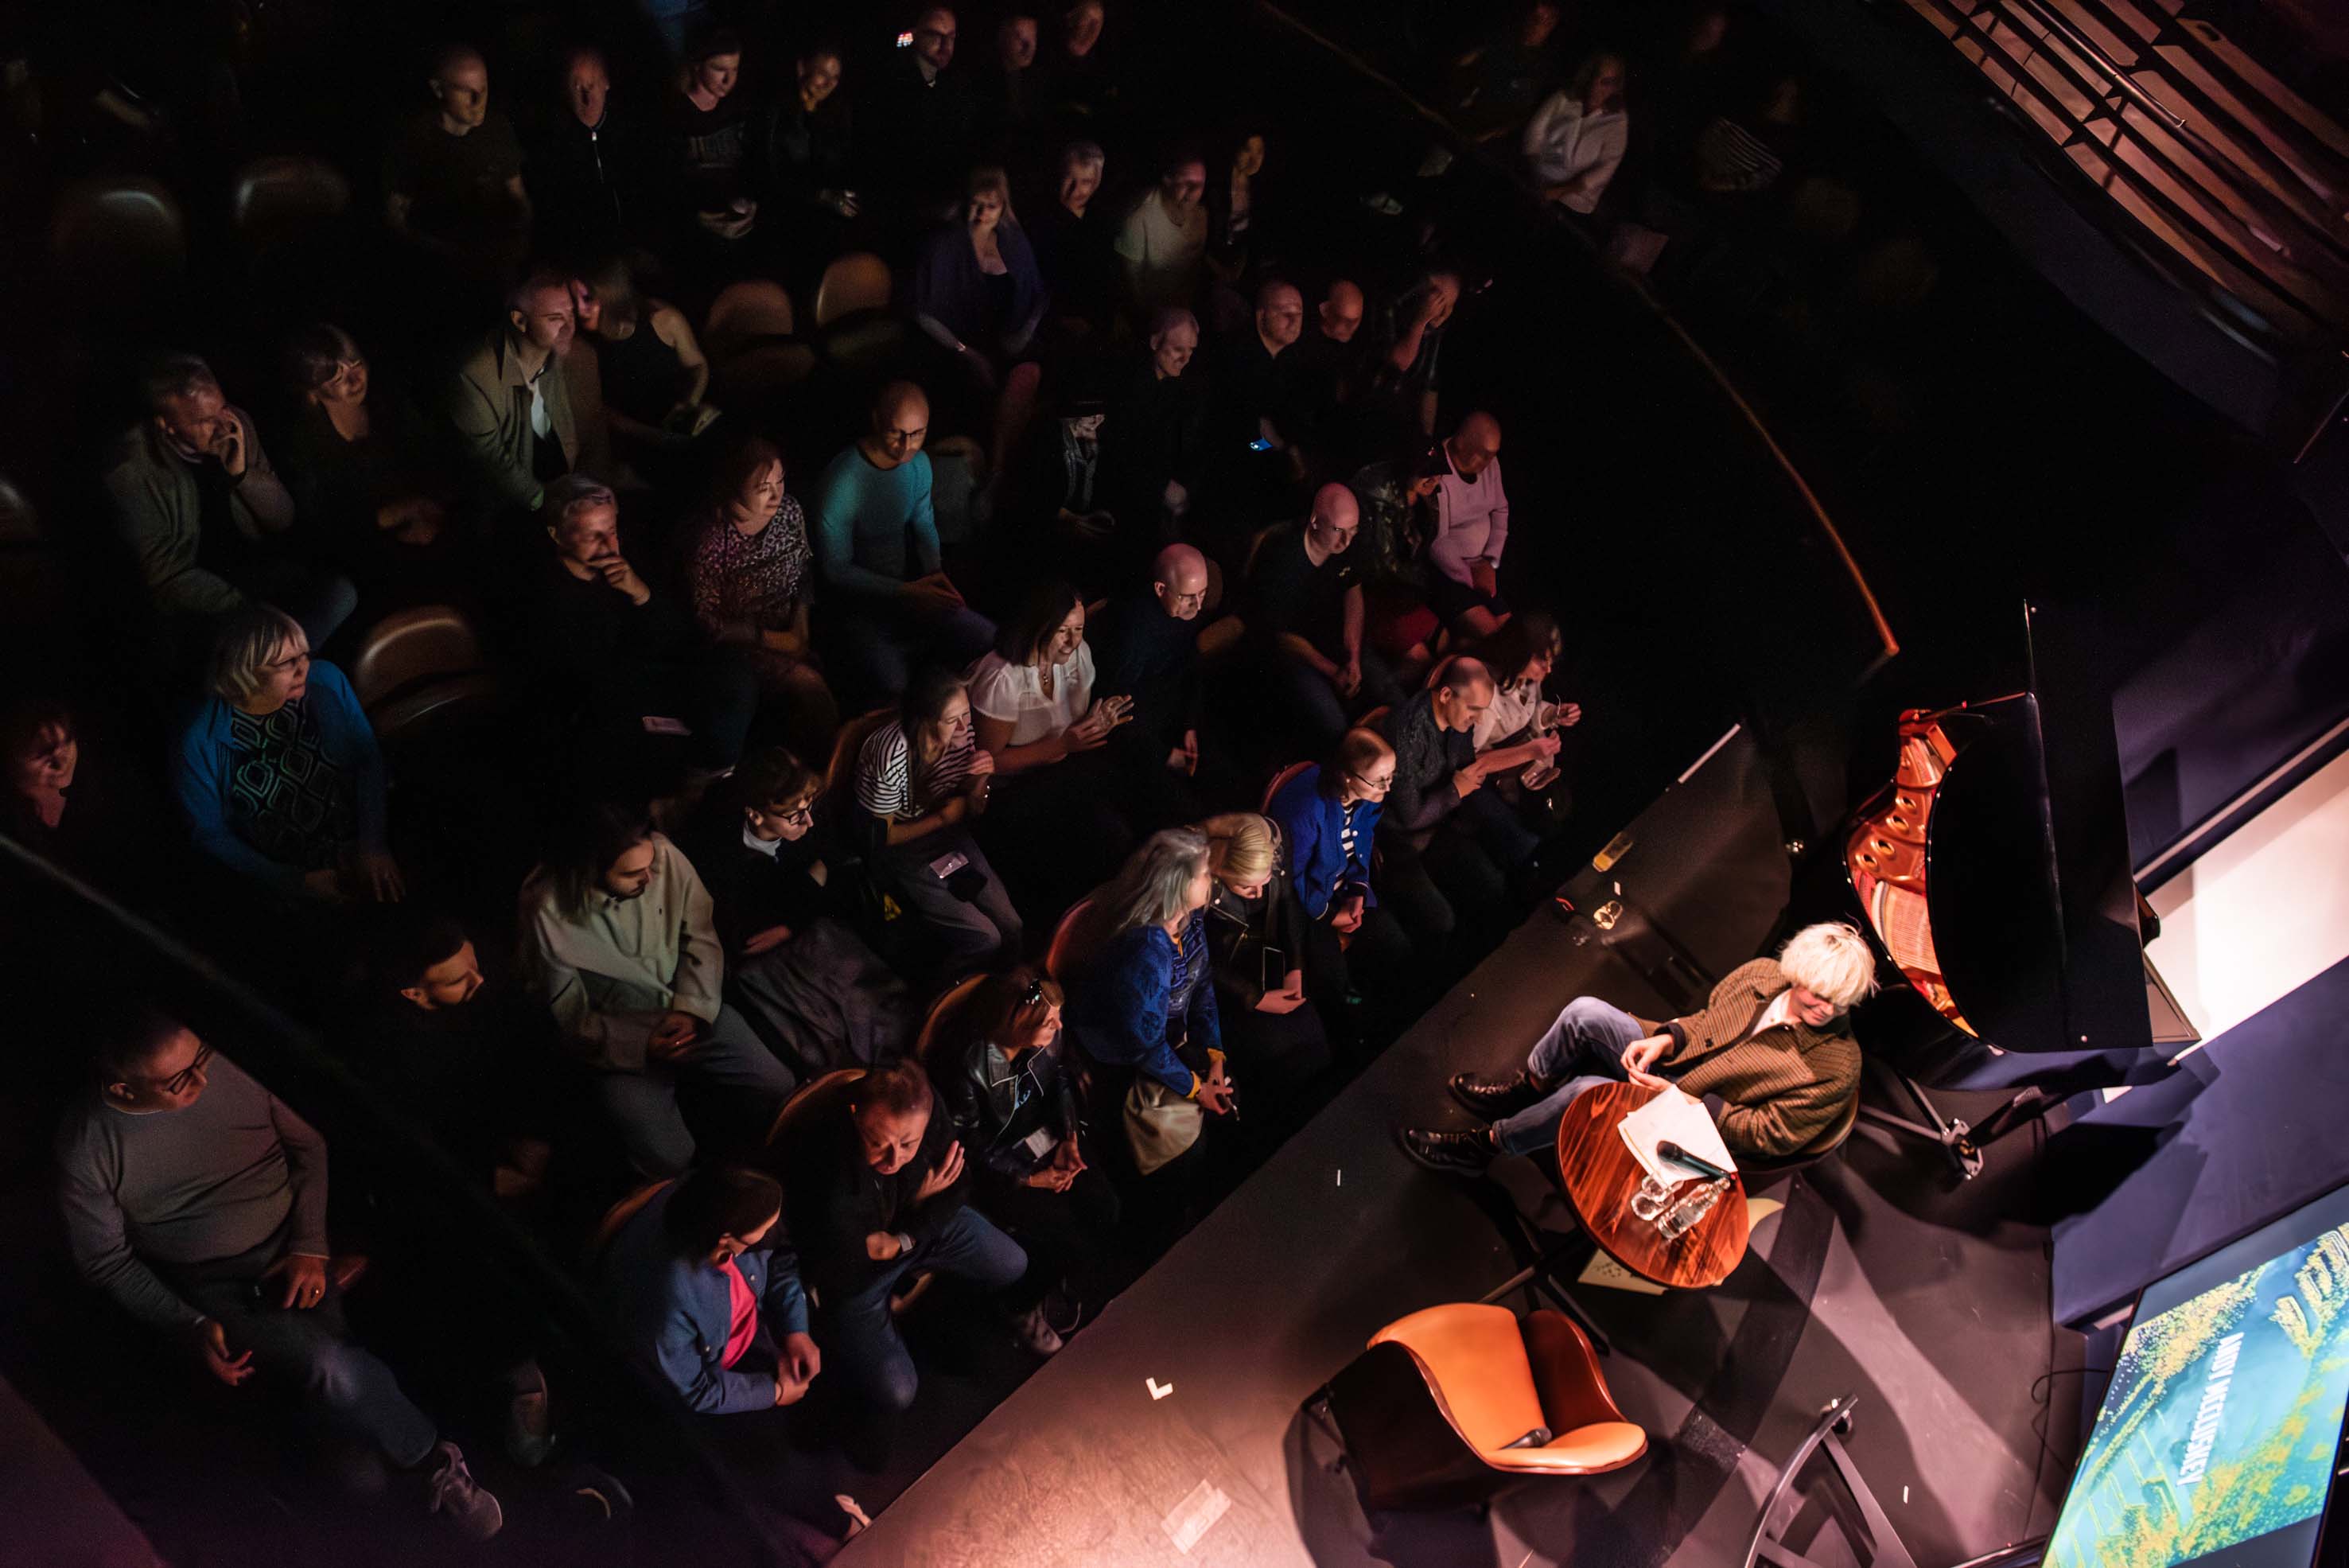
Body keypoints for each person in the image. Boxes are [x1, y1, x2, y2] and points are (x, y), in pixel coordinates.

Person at [56, 1010, 504, 1539]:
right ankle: (432, 1457)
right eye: (178, 1079)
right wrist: (189, 1321)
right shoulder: (89, 1145)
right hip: (213, 1282)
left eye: (201, 1058)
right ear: (123, 1087)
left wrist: (311, 1245)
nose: (202, 1080)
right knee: (329, 1363)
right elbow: (105, 1261)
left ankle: (373, 1460)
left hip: (292, 1245)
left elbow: (310, 1146)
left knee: (359, 1470)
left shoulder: (234, 1065)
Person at [1399, 922, 1878, 1170]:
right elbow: (1708, 1018)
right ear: (1797, 976)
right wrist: (1667, 1038)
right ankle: (1529, 1089)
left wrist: (1676, 1098)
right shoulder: (1763, 974)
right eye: (1819, 993)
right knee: (1584, 1011)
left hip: (1694, 1115)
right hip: (1676, 1066)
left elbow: (1765, 1136)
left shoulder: (1837, 1067)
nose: (1828, 1008)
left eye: (1841, 1001)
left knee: (1586, 1089)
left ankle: (1487, 1146)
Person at [519, 800, 797, 1177]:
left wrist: (691, 1008)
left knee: (774, 1082)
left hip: (689, 1006)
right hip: (616, 1041)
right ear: (588, 871)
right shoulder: (547, 912)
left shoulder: (661, 856)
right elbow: (567, 1015)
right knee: (669, 1157)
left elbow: (700, 935)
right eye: (633, 874)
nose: (650, 879)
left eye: (650, 866)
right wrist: (639, 1042)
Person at [776, 1060, 1037, 1456]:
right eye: (877, 1141)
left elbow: (958, 1183)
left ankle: (936, 1320)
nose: (893, 1159)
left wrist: (904, 1234)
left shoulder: (924, 1109)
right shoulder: (826, 1166)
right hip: (857, 1281)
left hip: (910, 1233)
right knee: (898, 1391)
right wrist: (917, 1205)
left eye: (908, 1145)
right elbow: (846, 1265)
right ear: (854, 1114)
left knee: (1012, 1263)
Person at [680, 748, 912, 1077]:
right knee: (817, 1033)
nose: (808, 821)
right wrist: (810, 882)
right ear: (756, 815)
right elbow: (743, 930)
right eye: (795, 816)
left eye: (809, 809)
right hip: (759, 958)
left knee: (875, 1002)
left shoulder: (806, 820)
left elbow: (833, 867)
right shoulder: (717, 848)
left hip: (807, 928)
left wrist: (793, 918)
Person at [103, 354, 355, 653]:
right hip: (201, 601)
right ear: (167, 425)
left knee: (341, 593)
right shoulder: (134, 472)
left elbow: (283, 519)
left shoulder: (236, 425)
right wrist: (247, 608)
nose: (221, 424)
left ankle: (276, 660)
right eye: (204, 421)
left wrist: (244, 476)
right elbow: (167, 577)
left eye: (220, 408)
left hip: (256, 575)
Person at [521, 477, 757, 777]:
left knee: (733, 673)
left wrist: (640, 594)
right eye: (592, 536)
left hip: (653, 677)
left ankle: (716, 773)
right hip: (605, 705)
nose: (609, 545)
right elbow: (574, 680)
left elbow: (676, 636)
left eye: (611, 531)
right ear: (557, 535)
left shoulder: (627, 560)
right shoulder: (547, 595)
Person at [931, 967, 1117, 1343]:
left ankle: (1051, 1274)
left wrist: (1068, 1137)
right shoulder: (967, 1068)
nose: (1060, 1026)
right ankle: (1018, 1308)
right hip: (1000, 1167)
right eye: (1049, 1021)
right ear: (1015, 1024)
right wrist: (1028, 1177)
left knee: (1106, 1208)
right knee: (1068, 1245)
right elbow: (966, 1143)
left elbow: (1061, 1077)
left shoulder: (1047, 1039)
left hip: (1045, 1139)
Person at [174, 606, 402, 904]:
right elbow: (209, 835)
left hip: (358, 845)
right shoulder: (198, 741)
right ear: (245, 673)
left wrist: (373, 844)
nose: (304, 668)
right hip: (276, 879)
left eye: (305, 655)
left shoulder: (326, 681)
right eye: (288, 663)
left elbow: (367, 761)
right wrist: (293, 882)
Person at [808, 382, 995, 701]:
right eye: (898, 433)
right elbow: (836, 570)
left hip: (910, 591)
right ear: (877, 420)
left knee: (989, 642)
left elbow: (923, 521)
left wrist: (936, 574)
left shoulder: (919, 465)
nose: (906, 446)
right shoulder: (842, 482)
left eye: (918, 434)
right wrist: (908, 591)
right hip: (859, 607)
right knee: (895, 689)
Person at [1066, 828, 1232, 1184]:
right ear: (1178, 884)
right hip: (1119, 1058)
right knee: (1189, 1146)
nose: (1211, 879)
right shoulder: (1145, 952)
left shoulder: (1189, 918)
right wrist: (1197, 1088)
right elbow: (1144, 1045)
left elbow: (1202, 983)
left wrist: (1215, 1056)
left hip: (1165, 1038)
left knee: (1231, 1090)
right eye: (1204, 873)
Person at [964, 580, 1135, 919]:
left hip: (1060, 770)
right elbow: (986, 763)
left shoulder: (1077, 655)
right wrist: (1062, 744)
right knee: (1094, 838)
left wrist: (1098, 722)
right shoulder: (1003, 678)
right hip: (1009, 791)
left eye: (1080, 629)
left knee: (1116, 817)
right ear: (1038, 627)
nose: (1074, 641)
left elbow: (1071, 725)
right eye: (1063, 631)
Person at [601, 1164, 822, 1414]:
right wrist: (774, 1392)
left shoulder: (730, 1208)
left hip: (759, 1324)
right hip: (717, 1376)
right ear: (725, 1240)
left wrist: (796, 1330)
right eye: (765, 1229)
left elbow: (780, 1261)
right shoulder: (671, 1296)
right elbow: (695, 1388)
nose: (772, 1229)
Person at [853, 666, 1022, 976]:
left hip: (947, 834)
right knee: (985, 938)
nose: (964, 727)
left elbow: (972, 810)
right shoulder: (891, 755)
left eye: (966, 715)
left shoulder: (961, 735)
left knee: (1012, 926)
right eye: (951, 720)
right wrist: (944, 818)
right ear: (925, 721)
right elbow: (877, 837)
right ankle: (942, 996)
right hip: (903, 846)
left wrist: (979, 784)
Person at [277, 324, 461, 607]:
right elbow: (324, 530)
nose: (355, 378)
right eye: (337, 377)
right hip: (370, 559)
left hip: (430, 528)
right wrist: (395, 515)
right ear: (311, 393)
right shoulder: (305, 447)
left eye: (356, 363)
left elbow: (433, 458)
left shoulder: (389, 404)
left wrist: (433, 509)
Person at [679, 438, 837, 757]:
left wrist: (799, 629)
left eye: (780, 482)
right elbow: (706, 622)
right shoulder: (711, 542)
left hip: (791, 628)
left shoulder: (789, 511)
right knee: (810, 689)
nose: (776, 495)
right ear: (735, 487)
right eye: (764, 487)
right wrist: (774, 640)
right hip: (744, 646)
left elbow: (803, 572)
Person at [1376, 657, 1546, 941]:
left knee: (1497, 879)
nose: (1479, 719)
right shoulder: (1405, 736)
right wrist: (1455, 791)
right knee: (1446, 919)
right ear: (1445, 695)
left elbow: (1466, 763)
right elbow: (1410, 817)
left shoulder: (1457, 723)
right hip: (1400, 839)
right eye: (1474, 709)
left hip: (1441, 818)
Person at [1243, 483, 1405, 752]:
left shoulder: (1349, 547)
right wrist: (1331, 671)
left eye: (1352, 532)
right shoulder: (1283, 558)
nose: (1346, 542)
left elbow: (1353, 593)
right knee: (1334, 726)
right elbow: (1279, 635)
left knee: (1390, 691)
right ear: (1315, 521)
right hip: (1294, 651)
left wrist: (1353, 655)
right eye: (1339, 532)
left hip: (1333, 638)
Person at [1266, 727, 1413, 1014]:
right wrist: (1331, 915)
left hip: (1342, 887)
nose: (1388, 787)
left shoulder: (1366, 798)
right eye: (1380, 781)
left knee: (1396, 944)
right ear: (1347, 777)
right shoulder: (1307, 811)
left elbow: (1363, 840)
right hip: (1308, 904)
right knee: (1335, 983)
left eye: (1391, 776)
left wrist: (1358, 888)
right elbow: (1292, 880)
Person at [1200, 813, 1329, 1111]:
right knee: (1278, 1058)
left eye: (1265, 882)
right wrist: (1252, 997)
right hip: (1220, 987)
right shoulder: (1195, 883)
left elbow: (1287, 901)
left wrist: (1295, 967)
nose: (1259, 893)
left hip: (1259, 961)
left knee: (1313, 1038)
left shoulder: (1275, 843)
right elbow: (1196, 962)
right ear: (1219, 870)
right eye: (1246, 887)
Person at [1091, 542, 1215, 827]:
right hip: (1135, 736)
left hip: (1171, 720)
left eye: (1202, 594)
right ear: (1161, 589)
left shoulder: (1184, 612)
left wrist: (1189, 725)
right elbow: (1114, 709)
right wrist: (1165, 756)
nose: (1197, 606)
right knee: (1184, 811)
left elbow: (1191, 669)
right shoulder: (1130, 631)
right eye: (1188, 597)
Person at [383, 45, 530, 271]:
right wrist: (447, 254)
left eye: (483, 89)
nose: (478, 101)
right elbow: (395, 218)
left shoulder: (497, 130)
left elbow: (518, 196)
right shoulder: (416, 140)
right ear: (439, 89)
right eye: (466, 91)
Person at [445, 270, 580, 518]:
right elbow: (488, 455)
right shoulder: (475, 374)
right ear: (520, 321)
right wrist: (542, 499)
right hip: (507, 510)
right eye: (555, 318)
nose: (569, 326)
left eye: (571, 314)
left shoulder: (555, 354)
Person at [913, 164, 1048, 394]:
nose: (983, 213)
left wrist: (1022, 336)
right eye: (977, 204)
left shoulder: (1013, 241)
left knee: (1029, 376)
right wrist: (967, 353)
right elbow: (924, 312)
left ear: (1003, 207)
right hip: (956, 347)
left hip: (1009, 345)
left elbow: (1036, 295)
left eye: (991, 206)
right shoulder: (944, 244)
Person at [569, 255, 715, 457]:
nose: (579, 309)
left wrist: (688, 405)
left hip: (677, 435)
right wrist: (656, 437)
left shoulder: (663, 319)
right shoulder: (581, 343)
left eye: (587, 298)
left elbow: (698, 365)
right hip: (628, 447)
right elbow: (602, 412)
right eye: (573, 298)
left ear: (610, 293)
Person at [527, 45, 656, 259]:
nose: (587, 95)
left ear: (606, 83)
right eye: (578, 87)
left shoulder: (630, 132)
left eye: (592, 85)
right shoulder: (552, 143)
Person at [1103, 309, 1208, 547]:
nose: (1186, 358)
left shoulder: (1180, 388)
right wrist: (1161, 487)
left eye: (1191, 350)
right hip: (1131, 498)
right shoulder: (1128, 387)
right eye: (1178, 349)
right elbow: (1119, 453)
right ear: (1154, 343)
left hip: (1166, 491)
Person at [865, 6, 976, 221]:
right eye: (935, 35)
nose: (945, 45)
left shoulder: (956, 85)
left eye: (951, 37)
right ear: (914, 35)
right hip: (903, 210)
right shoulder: (890, 85)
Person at [1348, 439, 1450, 671]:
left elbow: (1423, 548)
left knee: (1444, 641)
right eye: (1427, 474)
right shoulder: (1378, 498)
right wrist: (1424, 582)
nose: (1434, 481)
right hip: (1373, 592)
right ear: (1410, 469)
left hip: (1405, 590)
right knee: (1421, 660)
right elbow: (1382, 566)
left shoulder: (1427, 499)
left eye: (1439, 474)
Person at [1215, 279, 1308, 522]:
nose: (1294, 320)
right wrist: (1275, 447)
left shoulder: (1293, 359)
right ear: (1261, 317)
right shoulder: (1237, 362)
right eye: (1284, 313)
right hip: (1241, 461)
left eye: (1299, 313)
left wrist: (1289, 446)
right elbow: (1244, 437)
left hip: (1276, 458)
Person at [666, 29, 760, 257]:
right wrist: (700, 217)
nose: (729, 80)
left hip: (740, 220)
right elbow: (667, 183)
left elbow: (755, 161)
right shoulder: (675, 116)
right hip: (698, 229)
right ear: (697, 67)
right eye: (719, 70)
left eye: (734, 70)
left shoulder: (739, 107)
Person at [1429, 410, 1511, 638]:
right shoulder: (1439, 470)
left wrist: (1491, 561)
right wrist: (1469, 577)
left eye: (1493, 455)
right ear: (1462, 443)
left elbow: (1500, 510)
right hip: (1450, 574)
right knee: (1492, 636)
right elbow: (1438, 541)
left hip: (1483, 571)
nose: (1489, 462)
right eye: (1484, 454)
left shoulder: (1491, 466)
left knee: (1512, 635)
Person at [1441, 1, 1565, 144]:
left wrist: (1487, 136)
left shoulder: (1541, 68)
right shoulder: (1501, 38)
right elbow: (1460, 65)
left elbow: (1519, 116)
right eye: (1535, 17)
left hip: (1482, 137)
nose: (1536, 24)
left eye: (1545, 21)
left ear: (1552, 26)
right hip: (1450, 116)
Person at [1523, 51, 1628, 214]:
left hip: (1573, 202)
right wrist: (1536, 177)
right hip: (1535, 182)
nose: (1596, 86)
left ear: (1615, 87)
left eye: (1605, 82)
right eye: (1594, 76)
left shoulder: (1617, 122)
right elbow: (1534, 135)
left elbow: (1604, 169)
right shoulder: (1563, 98)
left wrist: (1556, 192)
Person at [1030, 140, 1114, 336]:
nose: (1076, 191)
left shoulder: (1101, 219)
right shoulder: (1041, 222)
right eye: (1070, 180)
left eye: (1085, 182)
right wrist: (1061, 318)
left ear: (1096, 183)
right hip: (1057, 326)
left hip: (1096, 323)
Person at [1114, 149, 1208, 322]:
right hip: (1150, 316)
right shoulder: (1139, 218)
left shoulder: (1201, 215)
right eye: (1186, 182)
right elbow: (1130, 286)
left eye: (1199, 184)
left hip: (1185, 312)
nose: (1193, 191)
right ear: (1167, 180)